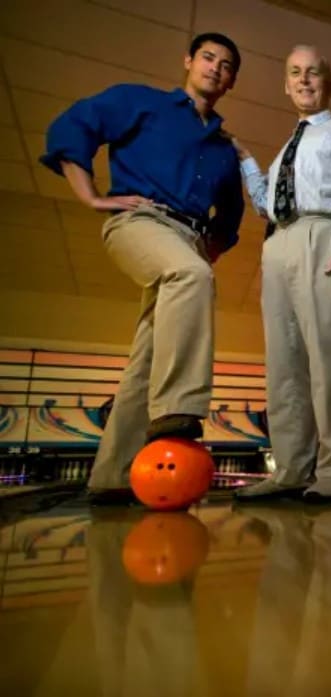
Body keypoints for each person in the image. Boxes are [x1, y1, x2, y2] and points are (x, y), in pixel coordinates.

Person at [39, 33, 245, 505]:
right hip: (139, 220)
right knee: (191, 276)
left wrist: (206, 247)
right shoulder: (140, 102)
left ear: (231, 81)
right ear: (188, 61)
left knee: (145, 361)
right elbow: (73, 126)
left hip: (189, 238)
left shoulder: (223, 150)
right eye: (208, 57)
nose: (215, 67)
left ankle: (111, 476)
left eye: (227, 65)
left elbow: (230, 218)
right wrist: (91, 196)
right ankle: (177, 408)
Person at [230, 44, 331, 504]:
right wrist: (245, 159)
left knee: (329, 358)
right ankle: (290, 470)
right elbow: (265, 203)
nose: (304, 80)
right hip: (277, 242)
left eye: (313, 72)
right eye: (294, 72)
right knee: (284, 365)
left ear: (327, 82)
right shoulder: (283, 155)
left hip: (326, 236)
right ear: (285, 83)